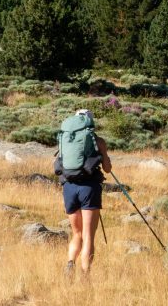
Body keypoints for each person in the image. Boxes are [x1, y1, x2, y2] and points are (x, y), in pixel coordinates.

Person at [55, 109, 111, 278]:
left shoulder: (65, 139)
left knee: (77, 233)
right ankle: (85, 275)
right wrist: (103, 158)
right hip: (89, 189)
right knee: (88, 236)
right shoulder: (97, 140)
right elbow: (107, 169)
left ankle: (70, 264)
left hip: (69, 188)